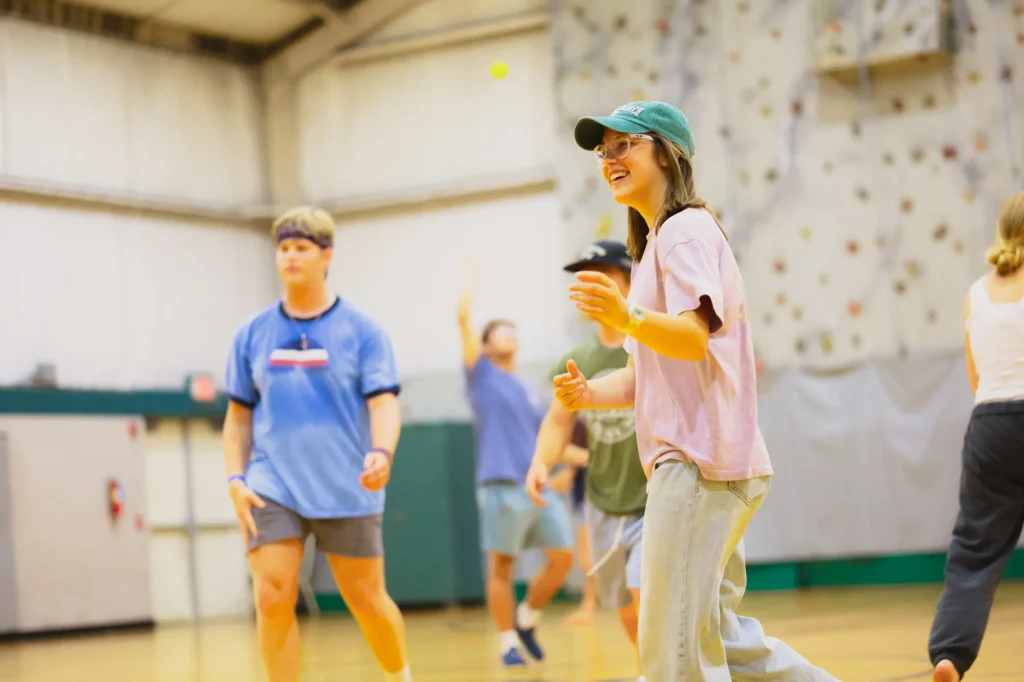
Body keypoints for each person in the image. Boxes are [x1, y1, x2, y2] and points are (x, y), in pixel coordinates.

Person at [552, 101, 838, 681]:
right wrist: (589, 394)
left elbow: (690, 339)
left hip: (697, 465)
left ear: (665, 153)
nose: (609, 159)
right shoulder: (657, 244)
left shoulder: (683, 231)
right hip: (715, 464)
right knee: (725, 643)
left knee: (674, 652)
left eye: (623, 145)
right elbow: (646, 375)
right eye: (603, 151)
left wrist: (625, 315)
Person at [222, 206, 412, 682]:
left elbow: (384, 403)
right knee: (272, 596)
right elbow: (238, 418)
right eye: (283, 248)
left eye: (301, 248)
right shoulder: (251, 334)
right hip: (272, 483)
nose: (290, 257)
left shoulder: (363, 330)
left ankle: (401, 675)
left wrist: (382, 451)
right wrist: (236, 478)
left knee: (367, 600)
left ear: (327, 255)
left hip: (347, 483)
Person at [526, 240, 649, 679]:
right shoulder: (576, 359)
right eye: (584, 280)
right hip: (603, 502)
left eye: (603, 277)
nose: (590, 287)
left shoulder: (648, 343)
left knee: (645, 592)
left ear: (629, 283)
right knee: (627, 610)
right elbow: (558, 422)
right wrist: (541, 463)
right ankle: (651, 669)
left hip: (653, 498)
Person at [457, 261, 578, 667]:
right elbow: (462, 317)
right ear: (485, 345)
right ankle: (507, 641)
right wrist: (471, 275)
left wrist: (582, 460)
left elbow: (550, 441)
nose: (509, 335)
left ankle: (527, 618)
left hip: (538, 485)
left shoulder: (529, 390)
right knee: (503, 565)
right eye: (500, 331)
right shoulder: (481, 375)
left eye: (513, 330)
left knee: (563, 557)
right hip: (501, 485)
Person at [928, 191, 1024, 682]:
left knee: (973, 554)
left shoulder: (977, 294)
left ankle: (949, 656)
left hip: (990, 422)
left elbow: (976, 377)